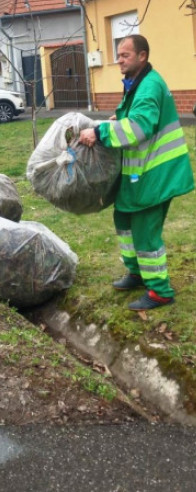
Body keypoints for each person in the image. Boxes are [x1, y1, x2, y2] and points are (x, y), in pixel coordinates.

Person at [79, 34, 194, 311]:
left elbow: (140, 127)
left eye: (125, 55)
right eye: (118, 54)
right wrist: (119, 118)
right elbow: (136, 117)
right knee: (124, 218)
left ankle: (159, 291)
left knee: (144, 232)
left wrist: (99, 131)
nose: (118, 60)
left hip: (156, 173)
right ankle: (137, 273)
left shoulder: (149, 85)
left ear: (142, 56)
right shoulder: (139, 82)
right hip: (142, 171)